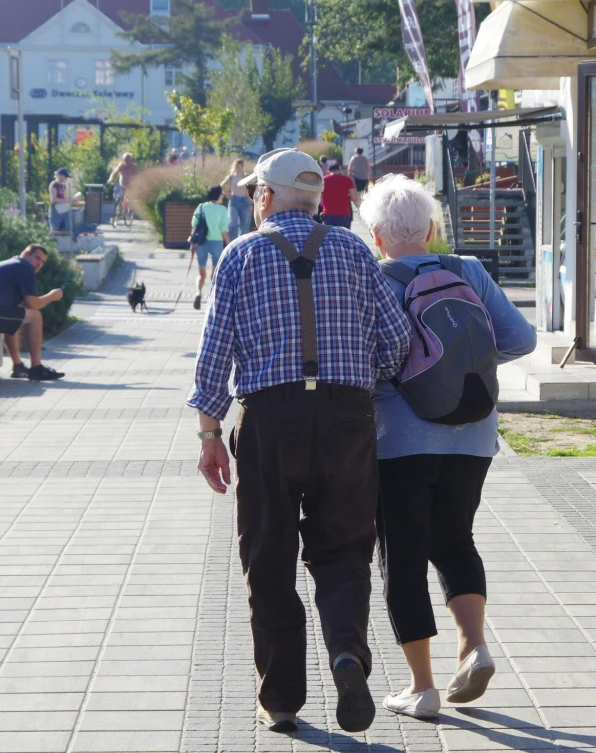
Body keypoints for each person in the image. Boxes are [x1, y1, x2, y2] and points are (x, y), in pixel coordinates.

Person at [186, 148, 411, 735]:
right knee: (344, 549)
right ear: (313, 200)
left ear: (265, 196)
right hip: (347, 416)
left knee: (268, 555)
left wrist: (209, 434)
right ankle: (346, 652)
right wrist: (359, 379)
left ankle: (282, 698)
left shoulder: (240, 255)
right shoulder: (354, 250)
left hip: (270, 419)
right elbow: (396, 341)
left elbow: (214, 358)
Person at [359, 175, 536, 720]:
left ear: (376, 235)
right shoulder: (469, 270)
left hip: (399, 439)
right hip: (473, 434)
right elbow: (522, 339)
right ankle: (474, 647)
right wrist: (461, 369)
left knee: (403, 557)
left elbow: (367, 358)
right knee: (455, 540)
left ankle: (422, 687)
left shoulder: (372, 278)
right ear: (432, 227)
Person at [0, 244, 68, 382]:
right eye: (37, 258)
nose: (39, 264)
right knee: (35, 316)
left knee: (15, 316)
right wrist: (52, 296)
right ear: (26, 254)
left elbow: (21, 307)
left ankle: (18, 366)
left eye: (42, 262)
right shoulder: (24, 268)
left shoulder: (13, 265)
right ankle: (37, 368)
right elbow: (33, 304)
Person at [190, 185, 231, 310]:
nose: (223, 195)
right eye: (222, 193)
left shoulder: (201, 207)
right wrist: (229, 244)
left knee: (201, 274)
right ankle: (213, 298)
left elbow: (194, 225)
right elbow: (223, 229)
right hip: (216, 243)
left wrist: (192, 243)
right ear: (218, 195)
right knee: (214, 275)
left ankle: (198, 293)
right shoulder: (222, 209)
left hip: (201, 243)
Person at [221, 158, 253, 241]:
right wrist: (225, 194)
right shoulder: (231, 177)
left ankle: (242, 243)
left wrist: (251, 204)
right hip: (234, 201)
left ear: (243, 167)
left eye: (241, 166)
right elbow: (221, 186)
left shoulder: (246, 177)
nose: (239, 168)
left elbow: (251, 190)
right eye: (237, 166)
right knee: (233, 223)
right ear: (234, 167)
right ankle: (231, 242)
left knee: (244, 226)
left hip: (245, 202)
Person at [321, 162, 360, 229]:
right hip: (344, 214)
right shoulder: (347, 180)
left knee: (328, 234)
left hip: (328, 215)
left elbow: (319, 196)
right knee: (344, 234)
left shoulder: (323, 180)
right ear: (339, 169)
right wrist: (359, 209)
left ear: (329, 170)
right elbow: (354, 198)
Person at [49, 168, 71, 233]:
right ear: (60, 175)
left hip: (63, 210)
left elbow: (64, 198)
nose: (66, 178)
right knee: (55, 231)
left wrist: (71, 200)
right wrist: (67, 200)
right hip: (55, 211)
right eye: (65, 176)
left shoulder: (63, 186)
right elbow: (53, 199)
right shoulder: (54, 185)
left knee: (65, 230)